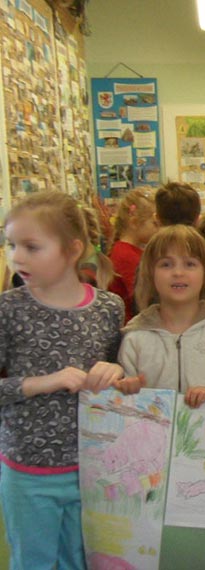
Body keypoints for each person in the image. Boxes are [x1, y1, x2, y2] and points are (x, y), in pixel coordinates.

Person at [0, 191, 125, 569]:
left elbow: (123, 379)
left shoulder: (107, 308)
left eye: (32, 246)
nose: (17, 257)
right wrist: (41, 382)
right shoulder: (9, 310)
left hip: (92, 469)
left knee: (82, 561)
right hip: (28, 473)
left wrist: (117, 373)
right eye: (11, 245)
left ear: (72, 249)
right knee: (34, 562)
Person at [116, 224, 205, 407]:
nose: (178, 273)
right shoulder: (136, 337)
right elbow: (122, 398)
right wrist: (126, 390)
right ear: (150, 273)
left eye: (190, 264)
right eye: (166, 264)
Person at [108, 187, 158, 322]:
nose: (159, 228)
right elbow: (143, 300)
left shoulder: (132, 252)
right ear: (134, 223)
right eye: (154, 223)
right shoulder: (126, 256)